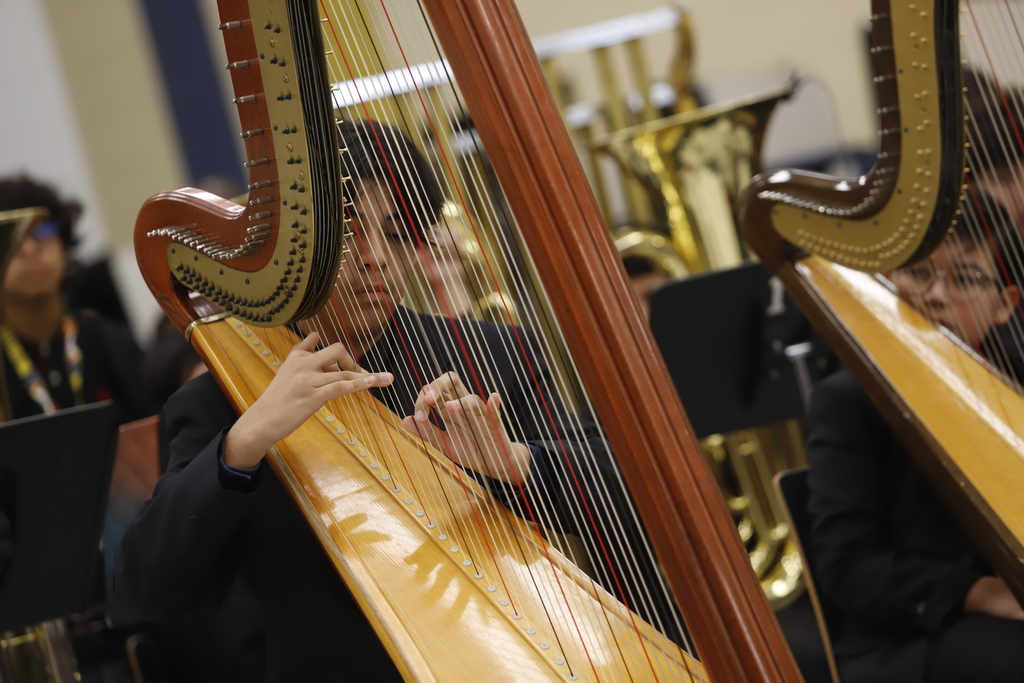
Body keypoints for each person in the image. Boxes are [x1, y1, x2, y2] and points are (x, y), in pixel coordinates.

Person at [114, 119, 675, 681]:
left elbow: (642, 492)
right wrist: (242, 443)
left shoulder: (492, 352)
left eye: (399, 230)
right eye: (351, 230)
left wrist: (518, 462)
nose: (378, 257)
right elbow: (144, 592)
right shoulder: (220, 405)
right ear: (292, 244)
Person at [806, 200, 1024, 683]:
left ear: (1005, 304)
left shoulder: (1016, 382)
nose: (936, 295)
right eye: (919, 274)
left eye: (965, 279)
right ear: (887, 282)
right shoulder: (849, 398)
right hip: (912, 639)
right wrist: (981, 593)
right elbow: (847, 565)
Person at [0, 176, 152, 423]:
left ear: (64, 242)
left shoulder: (110, 342)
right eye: (11, 236)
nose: (29, 248)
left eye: (41, 229)